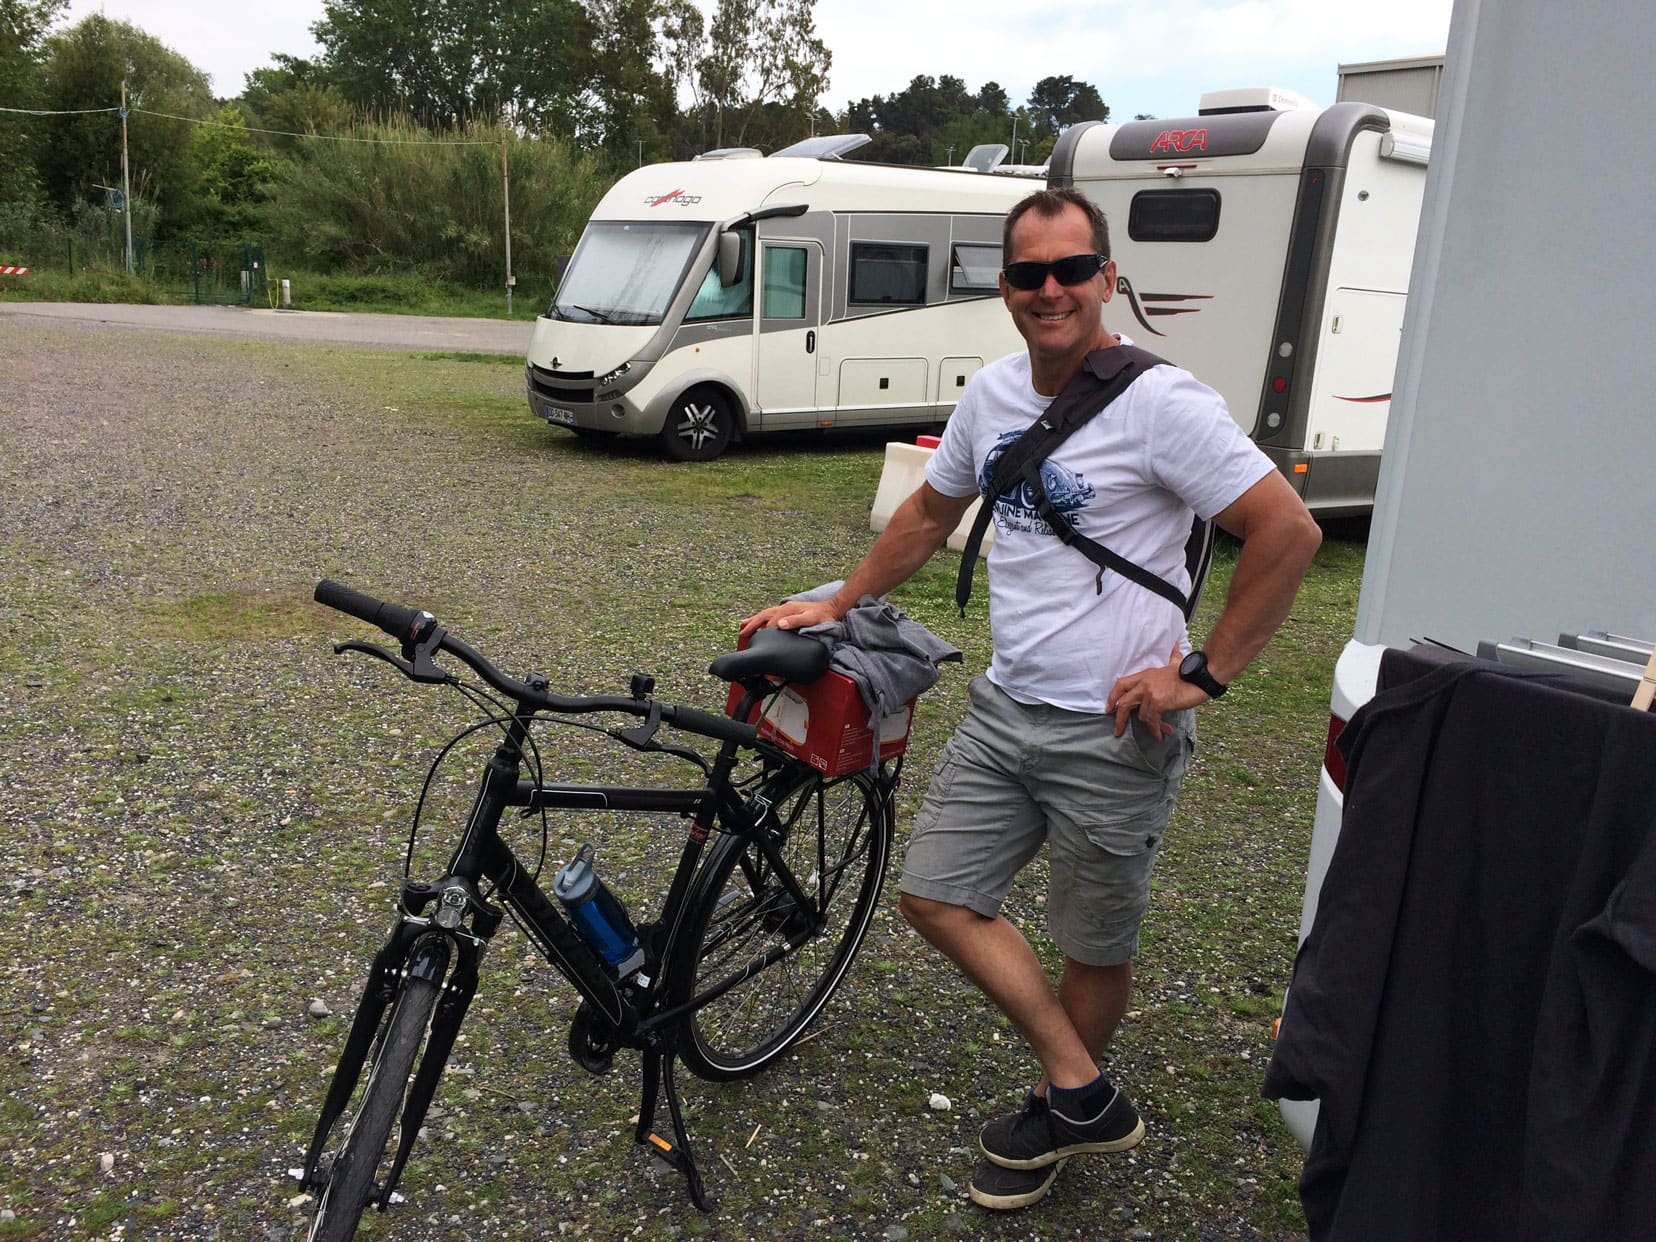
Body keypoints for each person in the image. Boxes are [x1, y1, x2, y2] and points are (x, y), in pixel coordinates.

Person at [740, 187, 1322, 1210]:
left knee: (1093, 943)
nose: (1049, 290)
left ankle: (1056, 1122)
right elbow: (930, 511)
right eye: (1027, 273)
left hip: (1117, 730)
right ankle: (1084, 1087)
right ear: (1005, 286)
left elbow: (1287, 532)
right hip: (1009, 709)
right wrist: (840, 600)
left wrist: (1203, 675)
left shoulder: (1162, 404)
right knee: (934, 895)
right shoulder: (994, 395)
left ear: (1107, 279)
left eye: (1069, 270)